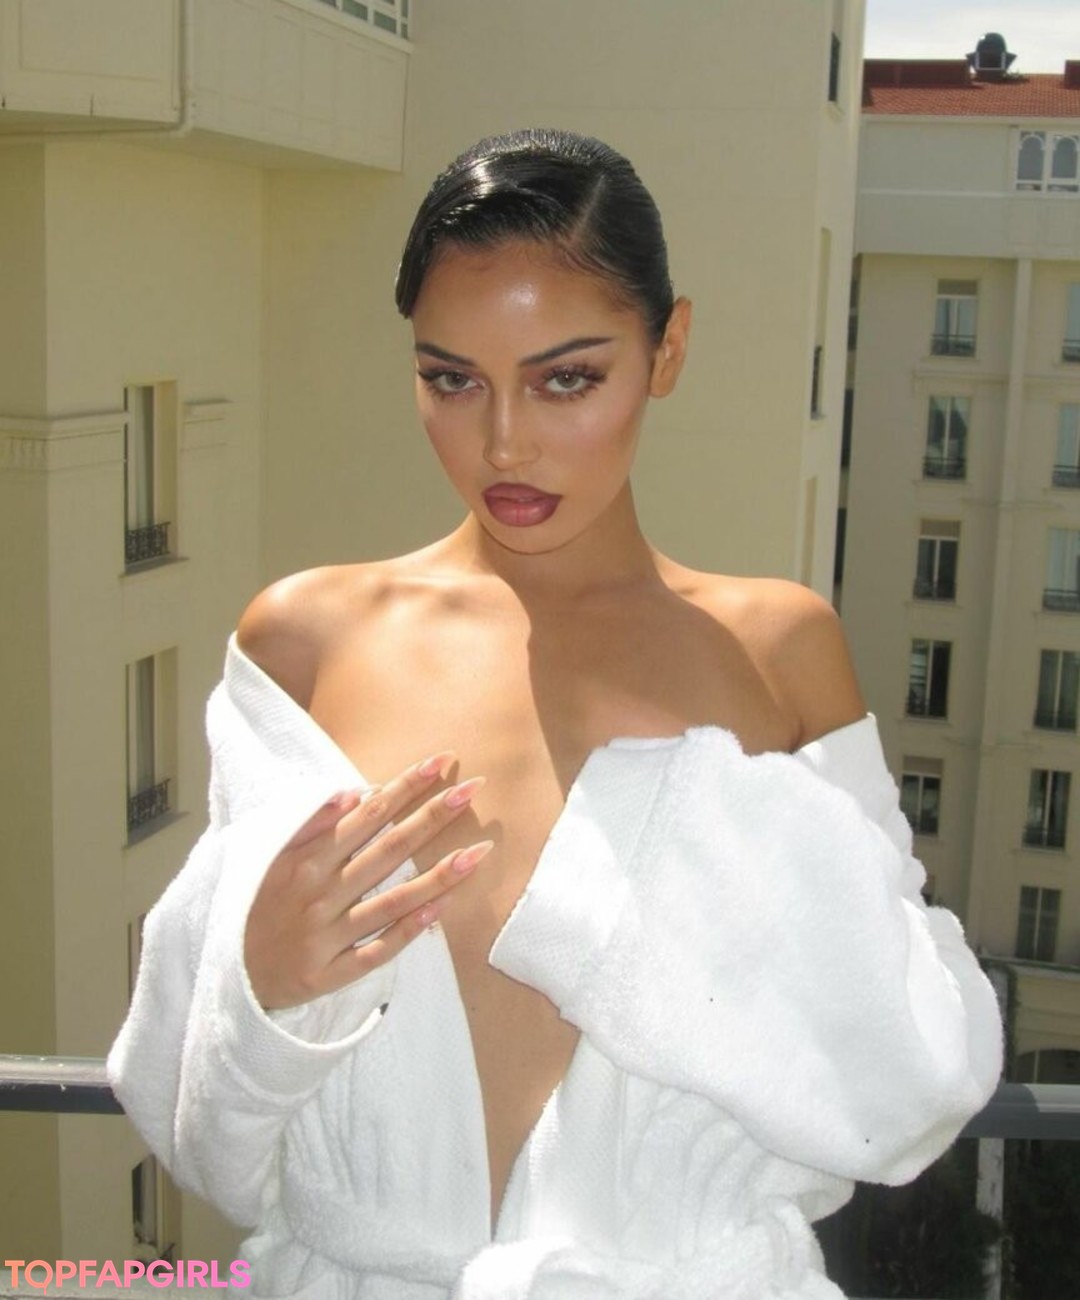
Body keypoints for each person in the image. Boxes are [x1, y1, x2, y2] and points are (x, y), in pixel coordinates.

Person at [108, 128, 1002, 1299]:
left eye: (565, 378)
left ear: (667, 349)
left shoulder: (778, 654)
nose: (504, 441)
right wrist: (259, 986)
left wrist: (684, 879)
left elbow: (915, 1072)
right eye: (451, 379)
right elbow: (198, 1130)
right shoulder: (305, 643)